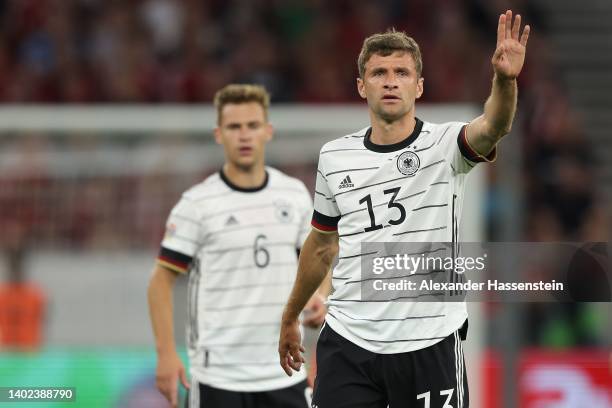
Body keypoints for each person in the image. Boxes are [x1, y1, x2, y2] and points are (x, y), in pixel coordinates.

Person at [279, 10, 530, 408]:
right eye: (379, 73)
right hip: (349, 342)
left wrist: (504, 79)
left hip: (429, 341)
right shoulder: (335, 157)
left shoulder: (446, 145)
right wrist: (290, 314)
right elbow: (323, 244)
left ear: (419, 86)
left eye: (402, 72)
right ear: (362, 87)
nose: (391, 81)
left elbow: (495, 125)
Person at [148, 84, 328, 408]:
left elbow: (317, 258)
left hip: (284, 371)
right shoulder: (197, 204)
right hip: (219, 376)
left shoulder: (294, 194)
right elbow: (160, 281)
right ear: (219, 134)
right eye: (234, 127)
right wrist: (165, 354)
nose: (244, 135)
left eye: (252, 125)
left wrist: (320, 295)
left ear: (268, 131)